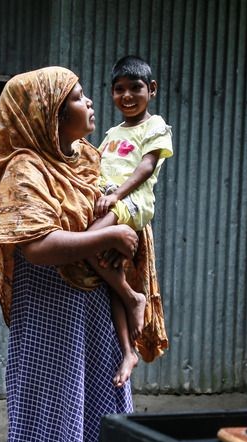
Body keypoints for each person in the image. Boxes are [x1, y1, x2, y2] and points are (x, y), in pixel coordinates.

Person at [0, 67, 165, 442]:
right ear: (47, 114)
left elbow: (127, 204)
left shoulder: (88, 160)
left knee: (100, 429)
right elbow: (34, 245)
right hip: (46, 325)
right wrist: (106, 234)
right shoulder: (24, 169)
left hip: (97, 320)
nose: (91, 103)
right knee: (44, 431)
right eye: (79, 96)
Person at [88, 55, 174, 387]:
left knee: (86, 241)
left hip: (132, 203)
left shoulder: (155, 127)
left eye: (135, 88)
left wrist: (116, 196)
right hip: (111, 202)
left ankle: (134, 296)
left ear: (151, 90)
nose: (126, 96)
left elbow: (146, 167)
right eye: (119, 89)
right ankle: (128, 351)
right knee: (110, 276)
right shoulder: (110, 133)